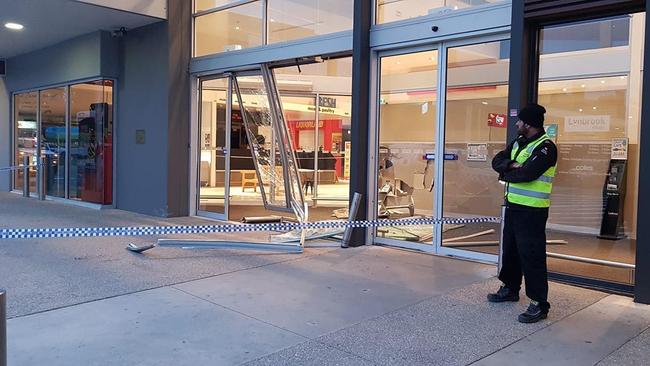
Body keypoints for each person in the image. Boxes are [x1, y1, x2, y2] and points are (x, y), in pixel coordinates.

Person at [488, 103, 557, 324]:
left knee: (532, 255)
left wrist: (505, 174)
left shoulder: (546, 147)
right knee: (511, 250)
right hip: (513, 206)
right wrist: (511, 165)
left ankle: (539, 303)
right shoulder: (518, 142)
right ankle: (509, 288)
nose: (516, 124)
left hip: (532, 211)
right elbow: (496, 161)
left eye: (519, 121)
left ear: (529, 124)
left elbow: (528, 173)